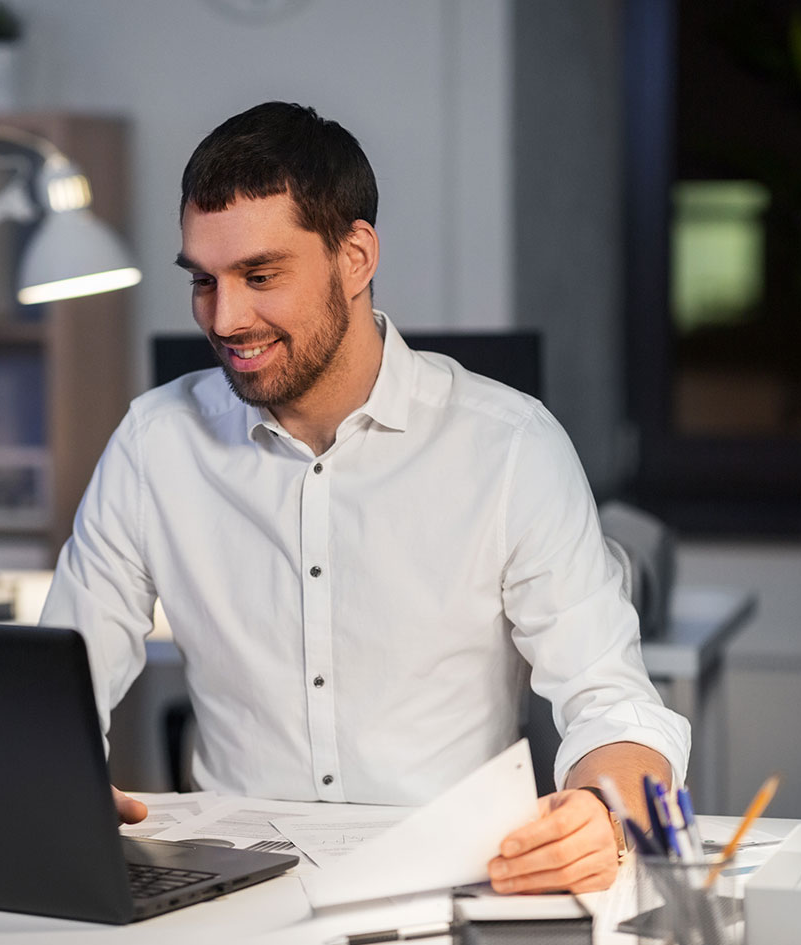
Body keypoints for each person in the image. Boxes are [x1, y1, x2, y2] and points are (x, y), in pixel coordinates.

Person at [40, 101, 690, 894]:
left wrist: (601, 809)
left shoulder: (509, 445)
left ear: (354, 256)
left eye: (260, 275)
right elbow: (57, 684)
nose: (226, 318)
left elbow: (610, 699)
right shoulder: (153, 443)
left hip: (455, 881)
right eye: (203, 282)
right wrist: (50, 783)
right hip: (233, 890)